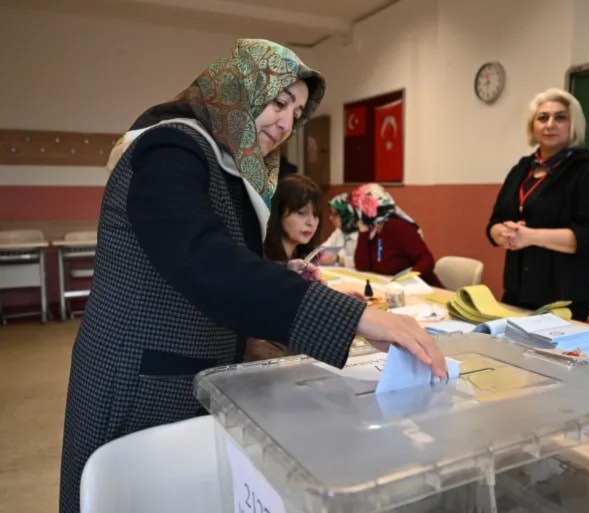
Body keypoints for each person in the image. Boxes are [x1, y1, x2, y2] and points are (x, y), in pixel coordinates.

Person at [59, 39, 446, 513]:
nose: (286, 124)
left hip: (183, 373)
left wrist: (259, 310)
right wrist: (355, 317)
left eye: (297, 114)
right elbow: (203, 260)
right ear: (237, 85)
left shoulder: (224, 162)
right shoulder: (170, 148)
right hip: (138, 382)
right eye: (279, 102)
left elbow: (219, 263)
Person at [486, 87, 589, 321]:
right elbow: (494, 222)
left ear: (573, 125)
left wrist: (529, 237)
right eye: (542, 118)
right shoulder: (521, 169)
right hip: (518, 288)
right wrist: (503, 234)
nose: (550, 124)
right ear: (532, 126)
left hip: (566, 294)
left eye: (560, 117)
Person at [350, 183, 443, 287]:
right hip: (392, 289)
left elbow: (426, 260)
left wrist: (406, 280)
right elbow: (362, 266)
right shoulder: (374, 230)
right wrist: (363, 231)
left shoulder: (397, 227)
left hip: (424, 289)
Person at [263, 174, 323, 262]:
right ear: (279, 212)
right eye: (301, 213)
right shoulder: (261, 258)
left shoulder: (306, 257)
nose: (311, 223)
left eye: (316, 215)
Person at [319, 192, 359, 268]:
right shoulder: (339, 232)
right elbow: (322, 250)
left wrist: (338, 259)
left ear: (347, 216)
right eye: (330, 213)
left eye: (334, 214)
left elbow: (364, 262)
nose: (330, 218)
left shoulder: (362, 236)